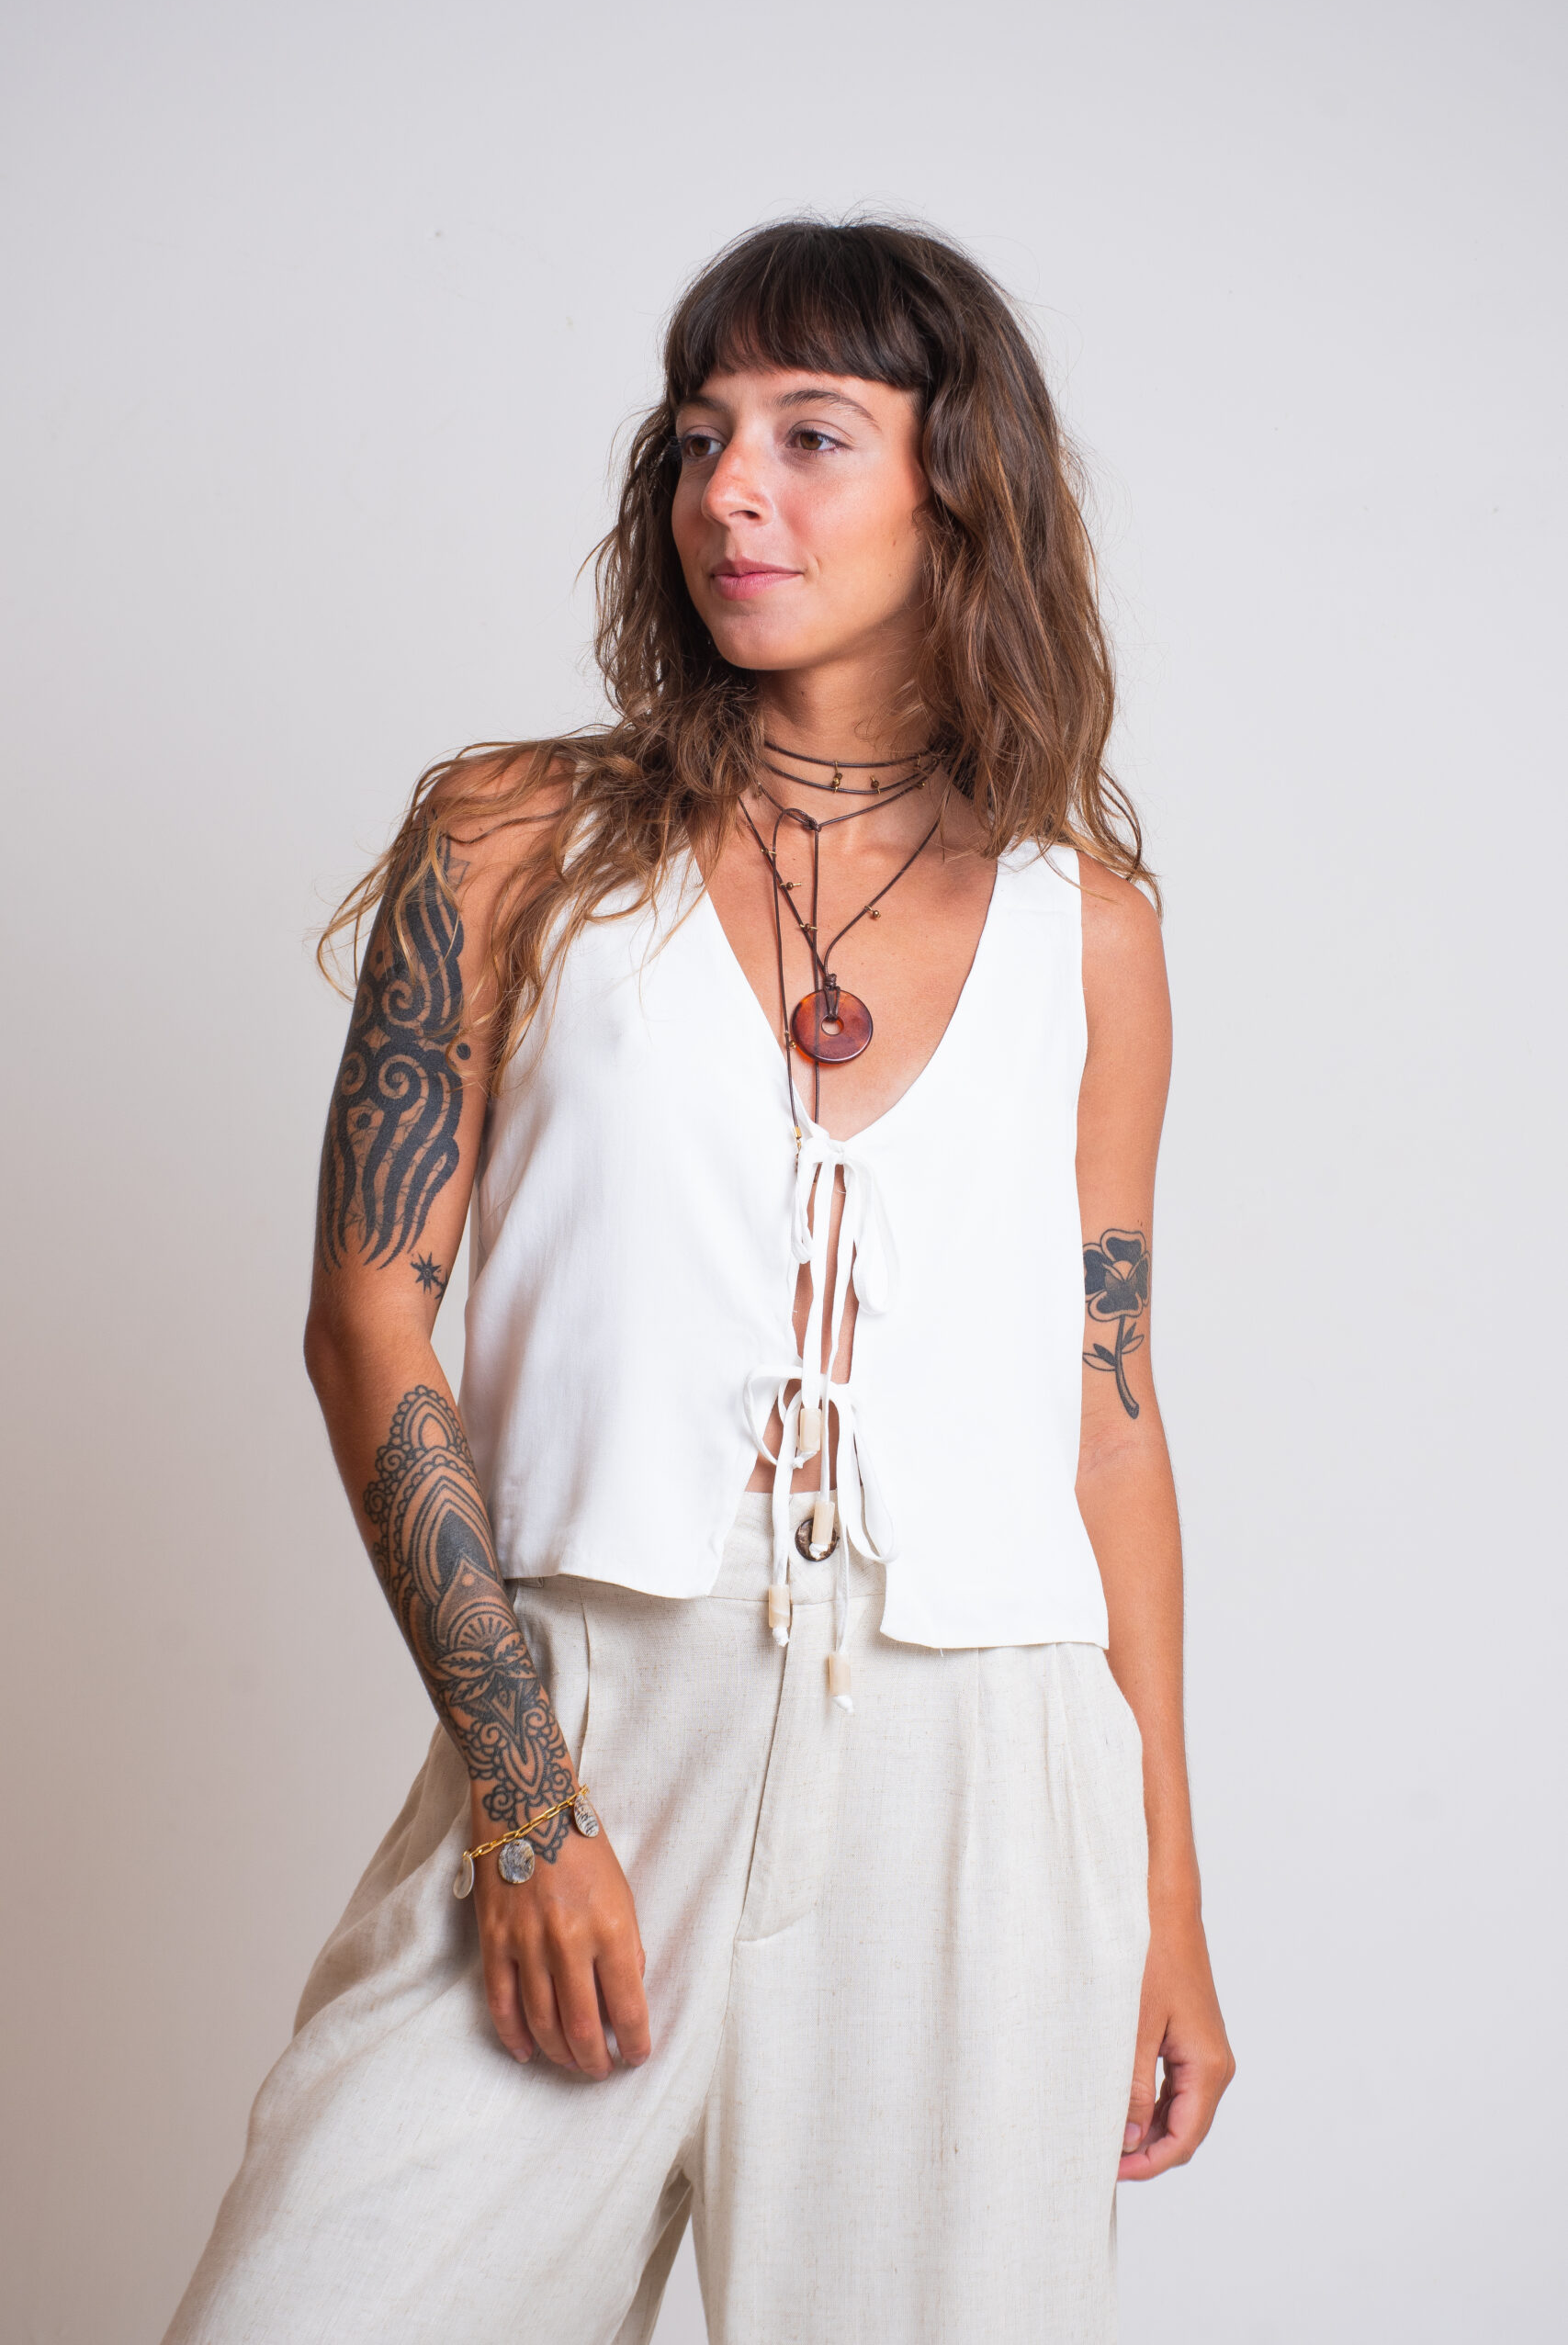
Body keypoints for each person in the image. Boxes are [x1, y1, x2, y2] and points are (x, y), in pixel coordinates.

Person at [164, 216, 1234, 2345]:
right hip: (587, 1721)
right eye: (695, 435)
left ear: (959, 486)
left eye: (808, 434)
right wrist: (523, 1798)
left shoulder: (1085, 925)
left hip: (980, 1779)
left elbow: (1105, 1417)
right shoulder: (512, 841)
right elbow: (367, 1318)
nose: (727, 489)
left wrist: (1168, 1905)